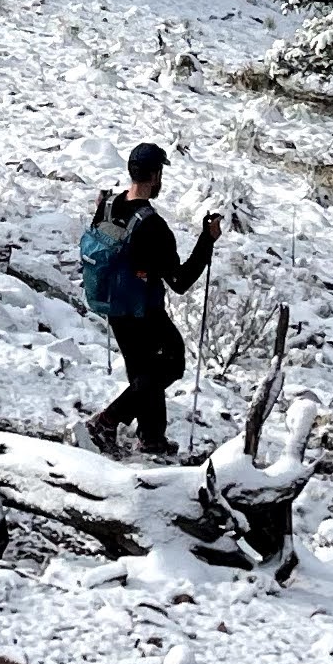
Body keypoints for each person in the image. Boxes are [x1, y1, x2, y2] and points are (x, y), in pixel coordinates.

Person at [81, 139, 221, 458]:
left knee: (143, 371)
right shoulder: (153, 226)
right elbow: (180, 281)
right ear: (156, 175)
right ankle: (106, 421)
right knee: (170, 364)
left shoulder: (107, 205)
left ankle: (152, 437)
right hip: (143, 311)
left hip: (113, 305)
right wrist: (206, 240)